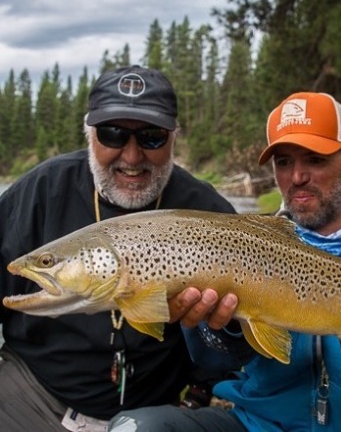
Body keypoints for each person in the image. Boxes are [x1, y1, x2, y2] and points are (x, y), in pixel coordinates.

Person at [109, 91, 341, 432]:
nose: (297, 176)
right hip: (262, 424)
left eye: (314, 159)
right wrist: (228, 327)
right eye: (284, 162)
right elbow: (214, 361)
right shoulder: (245, 240)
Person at [0, 65, 237, 431]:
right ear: (89, 133)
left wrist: (202, 381)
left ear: (174, 137)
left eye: (151, 137)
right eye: (112, 135)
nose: (131, 156)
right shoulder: (38, 193)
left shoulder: (207, 210)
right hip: (31, 398)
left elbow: (234, 350)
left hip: (152, 415)